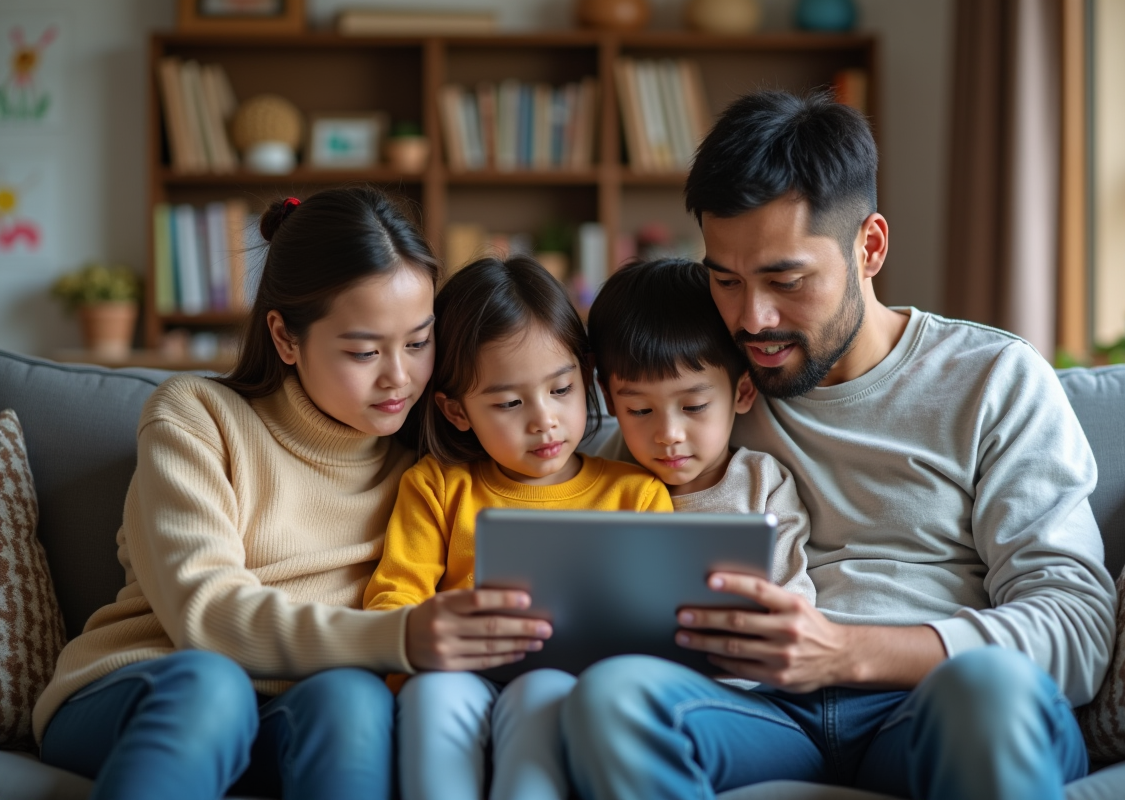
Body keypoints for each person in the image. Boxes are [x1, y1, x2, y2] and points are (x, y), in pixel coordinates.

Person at [562, 91, 1118, 800]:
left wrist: (844, 652)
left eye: (786, 280)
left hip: (929, 704)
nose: (752, 319)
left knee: (994, 691)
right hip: (760, 714)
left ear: (871, 247)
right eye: (724, 280)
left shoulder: (991, 379)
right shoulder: (708, 385)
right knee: (615, 697)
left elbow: (1074, 627)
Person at [30, 186, 532, 800]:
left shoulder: (428, 467)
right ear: (286, 337)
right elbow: (205, 615)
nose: (399, 377)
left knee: (353, 697)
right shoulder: (195, 417)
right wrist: (398, 636)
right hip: (146, 686)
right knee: (213, 687)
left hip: (292, 712)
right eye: (364, 351)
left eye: (419, 342)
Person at [362, 254, 672, 800]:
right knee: (433, 698)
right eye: (508, 402)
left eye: (561, 389)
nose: (543, 420)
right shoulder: (437, 486)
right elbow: (394, 597)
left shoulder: (635, 494)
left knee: (541, 693)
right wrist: (423, 654)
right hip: (455, 671)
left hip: (567, 683)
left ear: (588, 378)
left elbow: (654, 628)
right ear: (457, 412)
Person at [586, 256, 815, 613]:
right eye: (640, 411)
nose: (668, 434)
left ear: (741, 393)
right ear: (610, 401)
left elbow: (793, 605)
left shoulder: (763, 486)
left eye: (693, 407)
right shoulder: (601, 479)